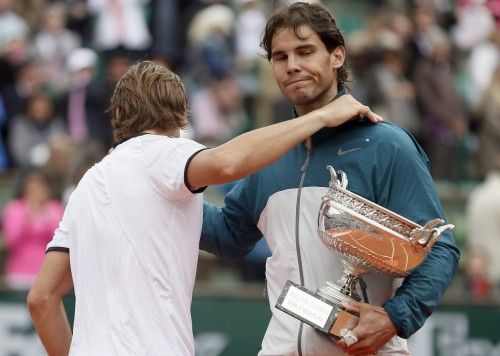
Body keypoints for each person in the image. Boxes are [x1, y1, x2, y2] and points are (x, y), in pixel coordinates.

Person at [26, 60, 381, 356]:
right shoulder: (164, 152)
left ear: (118, 113)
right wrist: (321, 117)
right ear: (181, 116)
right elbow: (226, 163)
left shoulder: (87, 184)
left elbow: (42, 298)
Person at [200, 3, 460, 355]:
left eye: (305, 52)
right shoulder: (271, 153)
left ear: (337, 56)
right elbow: (229, 234)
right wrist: (153, 186)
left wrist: (395, 317)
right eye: (280, 57)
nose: (292, 65)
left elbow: (438, 247)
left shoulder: (385, 145)